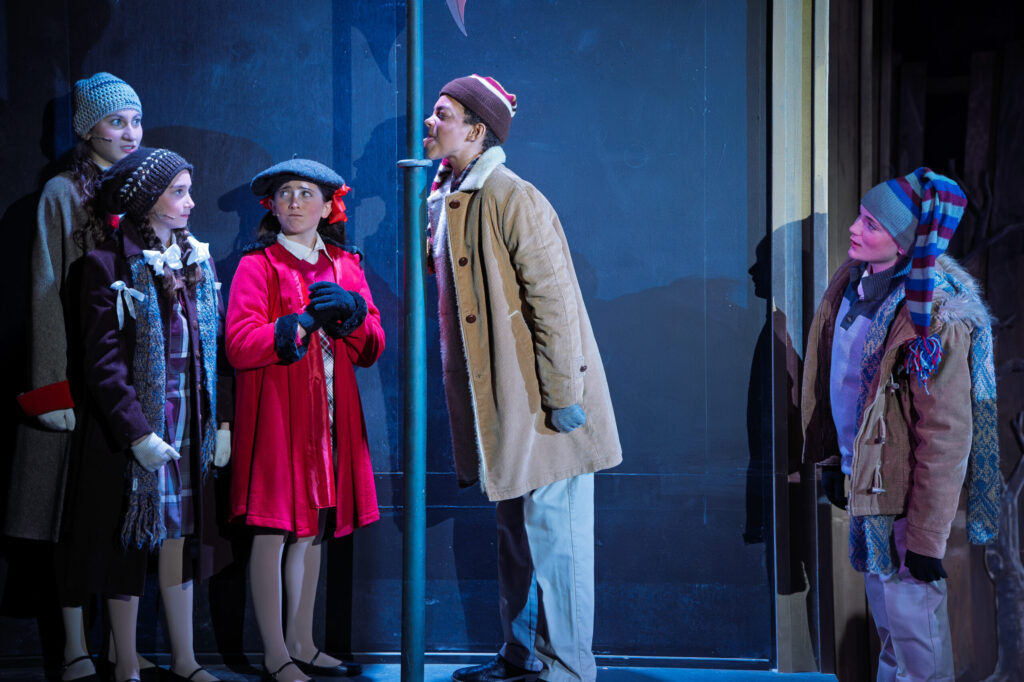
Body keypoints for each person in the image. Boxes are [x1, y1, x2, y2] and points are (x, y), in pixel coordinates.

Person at [423, 75, 622, 682]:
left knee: (558, 544)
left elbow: (554, 303)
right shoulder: (451, 199)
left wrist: (563, 396)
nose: (430, 123)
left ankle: (568, 670)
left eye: (443, 114)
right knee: (517, 534)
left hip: (546, 402)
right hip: (510, 405)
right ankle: (523, 656)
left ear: (476, 130)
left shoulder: (511, 196)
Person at [801, 168, 999, 681]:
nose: (854, 229)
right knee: (891, 630)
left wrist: (927, 538)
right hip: (868, 485)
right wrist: (835, 460)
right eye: (860, 217)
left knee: (916, 639)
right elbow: (841, 383)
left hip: (906, 499)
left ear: (904, 241)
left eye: (871, 224)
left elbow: (946, 435)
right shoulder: (851, 284)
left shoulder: (934, 314)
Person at [57, 147, 232, 682]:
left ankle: (185, 658)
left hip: (188, 422)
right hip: (137, 428)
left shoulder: (196, 261)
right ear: (147, 199)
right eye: (178, 192)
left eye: (188, 190)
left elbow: (213, 351)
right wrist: (136, 433)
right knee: (130, 539)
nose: (190, 202)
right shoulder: (106, 266)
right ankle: (126, 661)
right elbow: (103, 362)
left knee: (180, 536)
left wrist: (221, 424)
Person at [7, 71, 146, 682]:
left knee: (120, 519)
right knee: (70, 518)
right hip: (77, 379)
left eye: (136, 120)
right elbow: (44, 292)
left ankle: (122, 648)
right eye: (116, 121)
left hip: (124, 380)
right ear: (88, 129)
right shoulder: (63, 194)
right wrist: (50, 388)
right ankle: (73, 648)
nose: (130, 132)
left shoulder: (144, 193)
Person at [226, 159, 384, 682]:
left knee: (313, 530)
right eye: (286, 193)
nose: (295, 201)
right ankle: (275, 653)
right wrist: (297, 324)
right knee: (273, 529)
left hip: (331, 419)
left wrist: (354, 313)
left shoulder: (345, 264)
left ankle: (302, 642)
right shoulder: (258, 265)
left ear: (328, 205)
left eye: (306, 192)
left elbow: (372, 347)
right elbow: (240, 344)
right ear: (271, 206)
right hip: (280, 416)